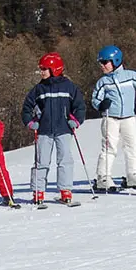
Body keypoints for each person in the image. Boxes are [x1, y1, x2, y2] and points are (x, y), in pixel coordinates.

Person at [22, 52, 86, 205]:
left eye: (44, 69)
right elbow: (26, 108)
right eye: (41, 69)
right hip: (44, 130)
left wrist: (76, 121)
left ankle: (65, 191)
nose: (41, 72)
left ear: (55, 69)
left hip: (64, 129)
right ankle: (38, 192)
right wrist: (30, 122)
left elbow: (80, 106)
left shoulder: (69, 87)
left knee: (65, 160)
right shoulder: (39, 89)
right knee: (41, 162)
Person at [90, 45, 136, 191]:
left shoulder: (130, 76)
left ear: (115, 61)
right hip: (110, 118)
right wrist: (101, 105)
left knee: (133, 145)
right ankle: (103, 177)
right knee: (109, 147)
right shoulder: (103, 82)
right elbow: (95, 99)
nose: (102, 66)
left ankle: (133, 175)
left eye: (105, 62)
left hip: (128, 117)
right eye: (100, 63)